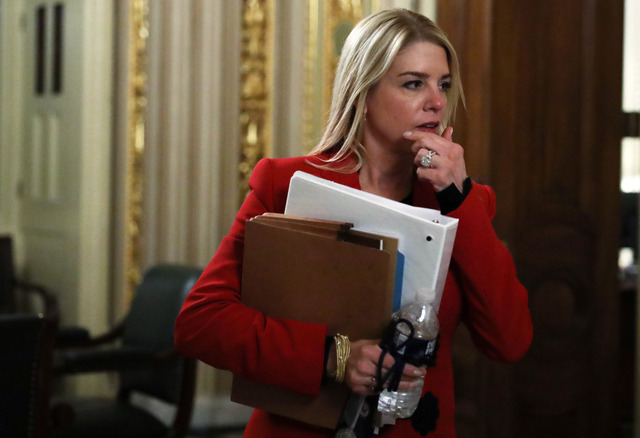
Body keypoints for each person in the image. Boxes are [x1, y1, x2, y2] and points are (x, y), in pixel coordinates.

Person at [174, 8, 532, 437]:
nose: (437, 101)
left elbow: (510, 341)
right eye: (414, 83)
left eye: (444, 85)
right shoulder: (285, 184)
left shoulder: (467, 204)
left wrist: (459, 199)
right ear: (363, 95)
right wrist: (332, 357)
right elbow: (201, 322)